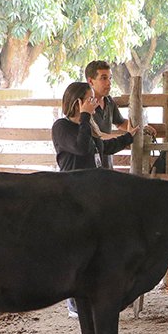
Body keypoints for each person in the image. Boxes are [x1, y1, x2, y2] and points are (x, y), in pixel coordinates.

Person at [53, 81, 137, 318]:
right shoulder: (61, 127)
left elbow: (101, 148)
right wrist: (85, 117)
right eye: (89, 99)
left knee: (94, 249)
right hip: (71, 196)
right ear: (77, 102)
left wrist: (128, 137)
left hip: (90, 195)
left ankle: (94, 296)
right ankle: (74, 304)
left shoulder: (86, 126)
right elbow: (81, 149)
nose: (94, 102)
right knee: (75, 251)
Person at [85, 60, 157, 159]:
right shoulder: (84, 107)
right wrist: (128, 137)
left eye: (110, 78)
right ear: (90, 81)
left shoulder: (109, 101)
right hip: (91, 161)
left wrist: (141, 128)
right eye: (104, 78)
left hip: (107, 160)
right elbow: (97, 136)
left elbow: (121, 123)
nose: (109, 83)